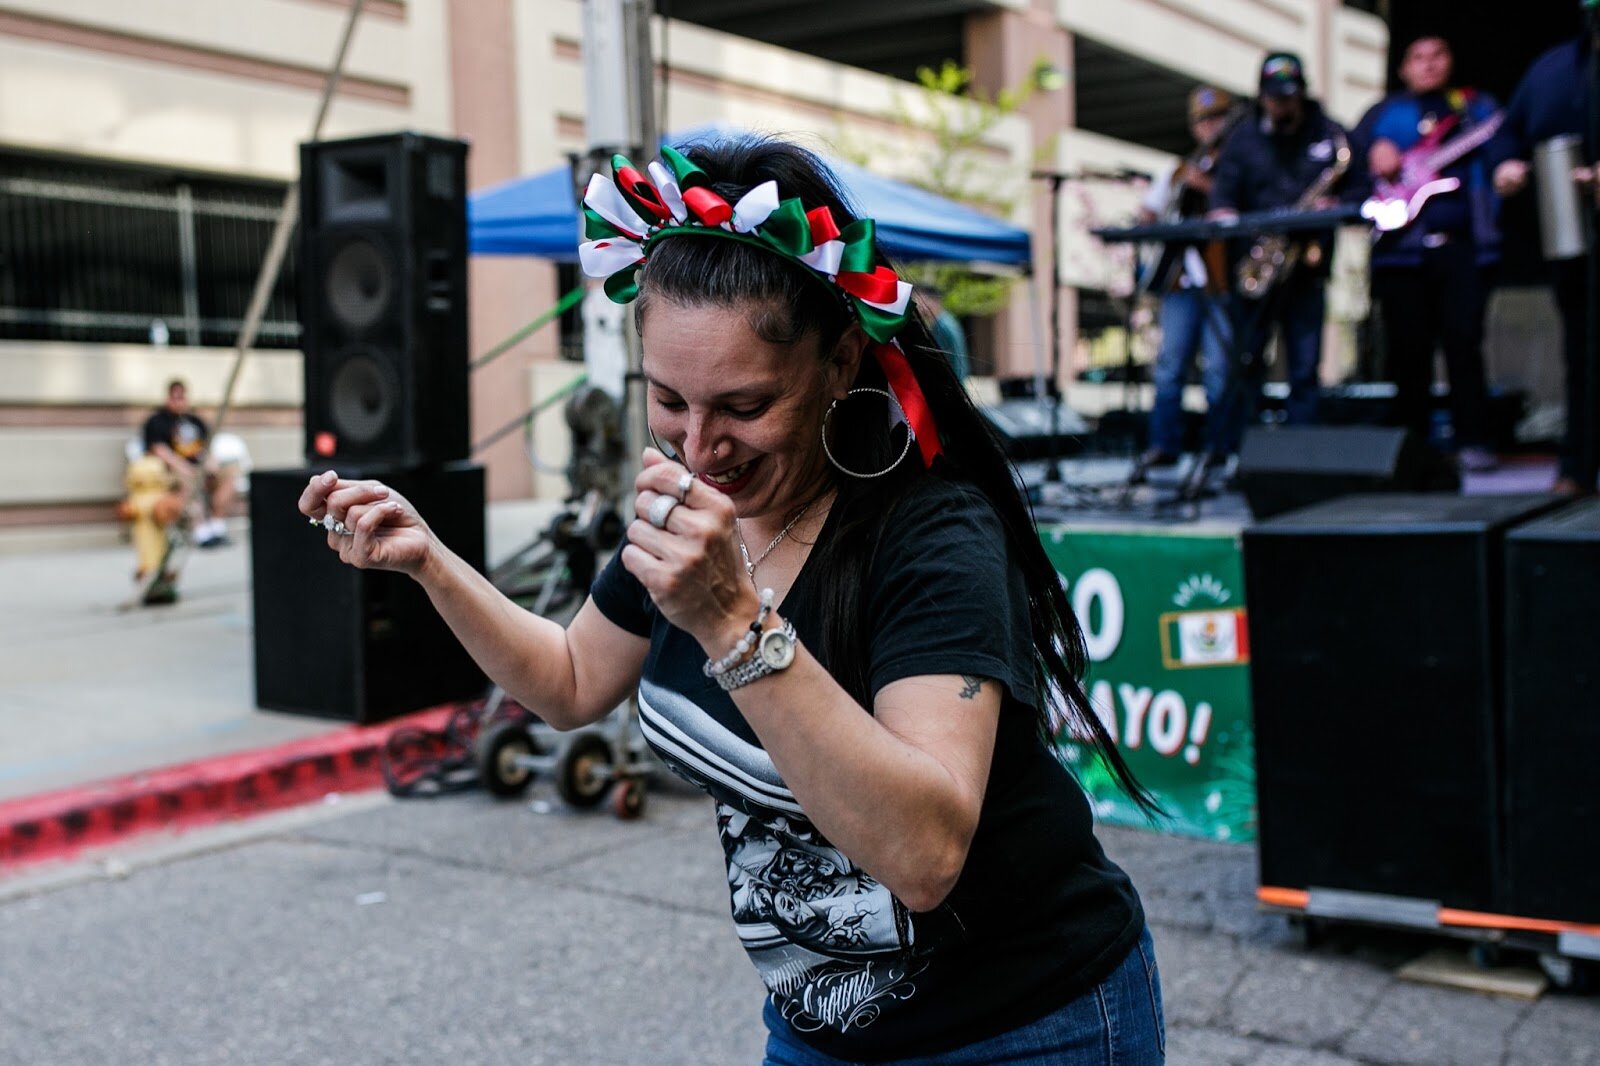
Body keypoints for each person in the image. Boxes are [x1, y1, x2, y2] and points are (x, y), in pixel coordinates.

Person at [299, 136, 1164, 1064]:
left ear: (839, 367)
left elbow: (924, 857)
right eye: (669, 400)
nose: (700, 446)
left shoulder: (930, 532)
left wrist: (732, 621)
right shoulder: (688, 509)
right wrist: (433, 562)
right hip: (821, 1030)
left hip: (1028, 1027)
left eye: (744, 407)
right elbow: (570, 681)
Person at [1353, 34, 1502, 473]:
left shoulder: (1474, 107)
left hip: (1461, 250)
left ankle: (1473, 440)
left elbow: (1505, 142)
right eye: (1418, 57)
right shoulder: (1382, 114)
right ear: (1403, 68)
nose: (1429, 64)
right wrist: (1371, 154)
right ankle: (1410, 448)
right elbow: (1347, 164)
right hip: (1401, 255)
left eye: (1438, 54)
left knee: (1464, 345)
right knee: (1407, 353)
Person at [1209, 52, 1366, 448]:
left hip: (1307, 267)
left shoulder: (1331, 134)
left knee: (1304, 365)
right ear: (1261, 96)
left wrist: (1340, 206)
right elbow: (1223, 192)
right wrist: (1224, 210)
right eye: (1274, 97)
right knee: (1245, 363)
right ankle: (1236, 452)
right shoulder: (1242, 137)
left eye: (1288, 96)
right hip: (1256, 265)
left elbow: (1361, 188)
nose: (1282, 104)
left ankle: (1301, 452)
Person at [1487, 12, 1600, 494]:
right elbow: (1508, 133)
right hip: (1573, 238)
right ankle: (1577, 466)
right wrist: (1505, 165)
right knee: (1581, 353)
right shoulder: (1553, 68)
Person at [1134, 85, 1240, 475]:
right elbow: (1148, 212)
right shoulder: (1179, 169)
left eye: (1216, 118)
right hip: (1181, 281)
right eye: (1202, 120)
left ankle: (1220, 448)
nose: (1209, 126)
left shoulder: (1238, 164)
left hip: (1221, 281)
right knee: (1170, 365)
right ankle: (1164, 445)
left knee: (1219, 369)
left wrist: (1208, 188)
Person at [141, 378, 233, 547]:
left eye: (181, 397)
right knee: (188, 482)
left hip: (199, 466)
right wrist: (185, 468)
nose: (178, 401)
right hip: (173, 470)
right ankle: (201, 531)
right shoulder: (157, 421)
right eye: (174, 397)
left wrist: (211, 463)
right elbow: (160, 451)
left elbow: (207, 447)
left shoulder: (195, 420)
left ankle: (217, 525)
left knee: (229, 474)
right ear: (167, 398)